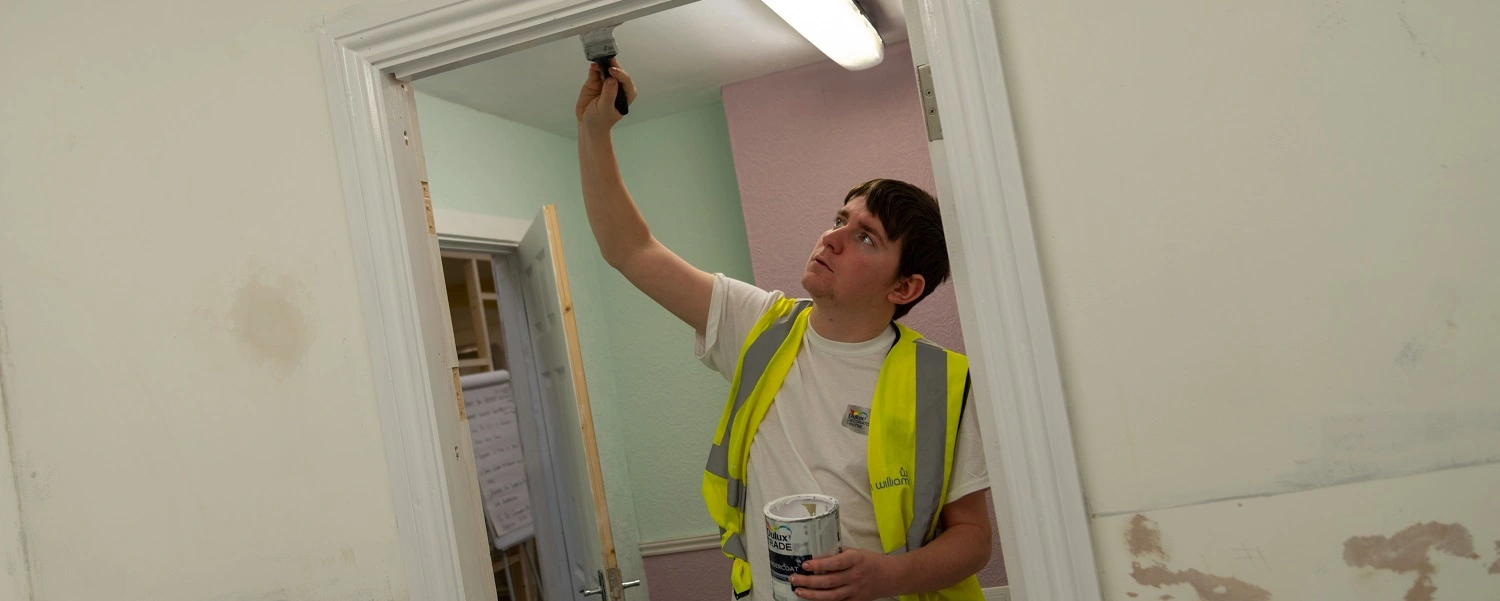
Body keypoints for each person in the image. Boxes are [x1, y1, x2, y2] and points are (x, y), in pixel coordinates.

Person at [575, 59, 992, 601]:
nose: (832, 237)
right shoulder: (760, 326)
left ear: (904, 289)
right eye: (841, 219)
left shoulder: (940, 382)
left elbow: (974, 537)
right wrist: (593, 132)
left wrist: (886, 575)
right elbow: (628, 249)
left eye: (866, 237)